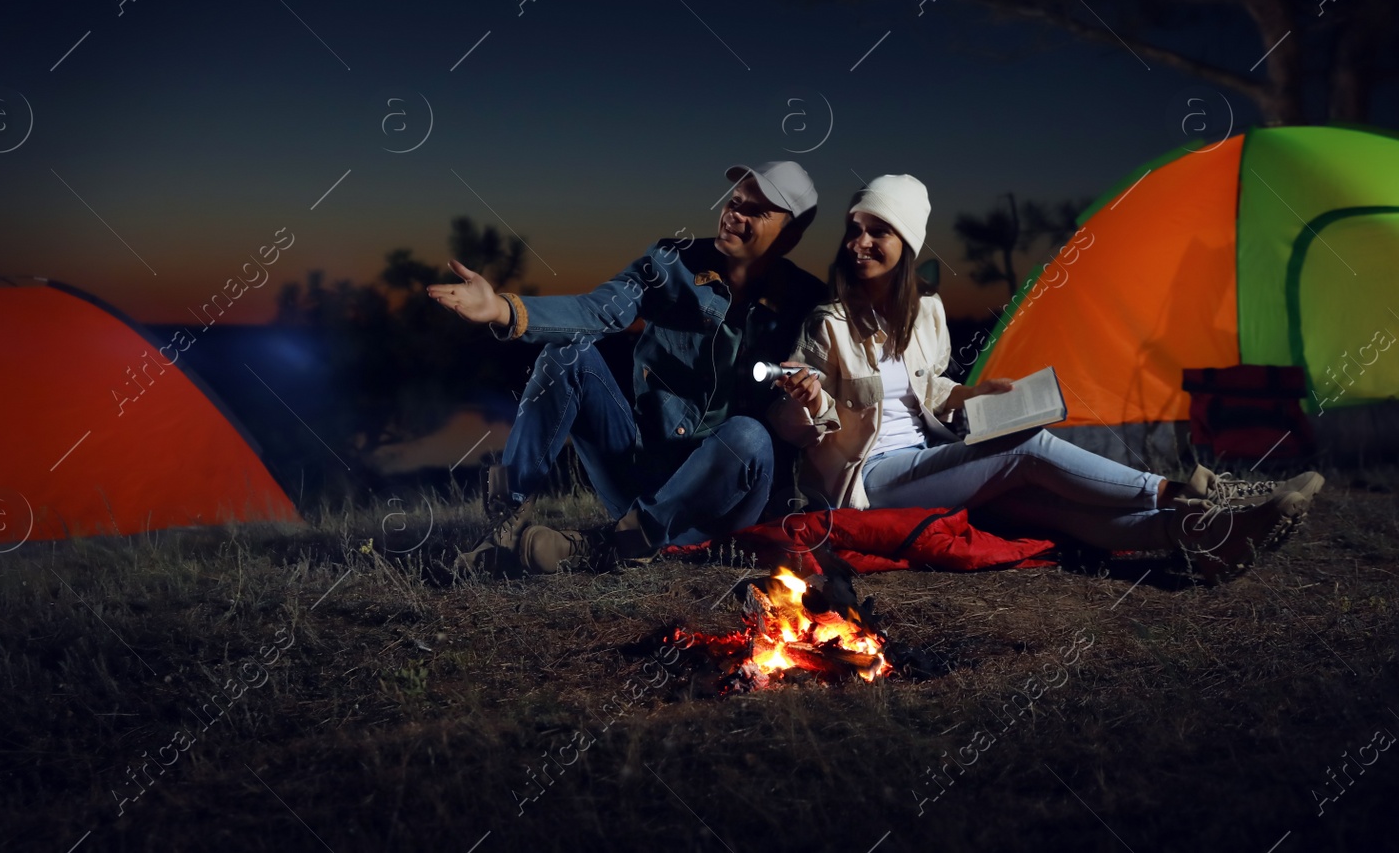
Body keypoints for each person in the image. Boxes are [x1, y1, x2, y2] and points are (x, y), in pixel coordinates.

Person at [766, 174, 1323, 584]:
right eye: (855, 229)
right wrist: (807, 396)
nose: (858, 242)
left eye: (877, 230)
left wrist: (970, 394)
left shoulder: (927, 313)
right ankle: (1193, 491)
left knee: (1050, 504)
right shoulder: (828, 323)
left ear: (906, 244)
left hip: (932, 460)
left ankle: (1209, 538)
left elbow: (926, 391)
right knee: (1028, 449)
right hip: (872, 481)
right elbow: (800, 420)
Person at [427, 161, 827, 574]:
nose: (734, 214)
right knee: (568, 355)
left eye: (756, 211)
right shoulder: (672, 263)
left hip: (723, 503)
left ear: (792, 234)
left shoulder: (808, 301)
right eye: (735, 201)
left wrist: (813, 395)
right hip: (642, 475)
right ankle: (502, 533)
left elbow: (834, 393)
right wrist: (503, 309)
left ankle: (619, 542)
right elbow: (597, 310)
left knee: (749, 435)